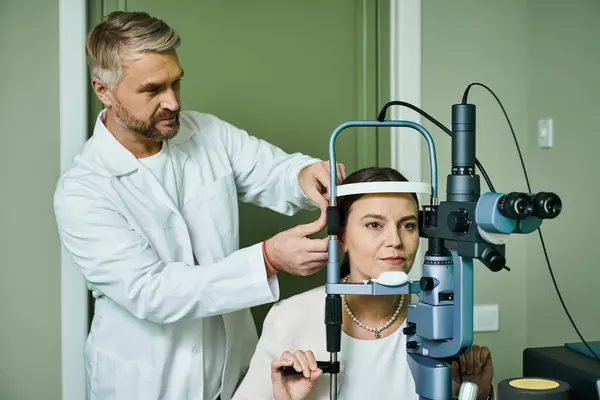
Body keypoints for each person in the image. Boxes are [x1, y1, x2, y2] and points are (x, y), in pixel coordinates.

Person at [53, 11, 345, 400]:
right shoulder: (83, 190)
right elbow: (151, 291)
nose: (172, 101)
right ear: (103, 90)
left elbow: (273, 171)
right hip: (146, 382)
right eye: (152, 89)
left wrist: (305, 174)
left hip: (230, 371)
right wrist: (268, 260)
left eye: (176, 83)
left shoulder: (207, 132)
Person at [232, 167, 495, 400]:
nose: (394, 240)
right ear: (341, 238)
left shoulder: (442, 321)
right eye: (373, 225)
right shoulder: (289, 318)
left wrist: (478, 393)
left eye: (407, 225)